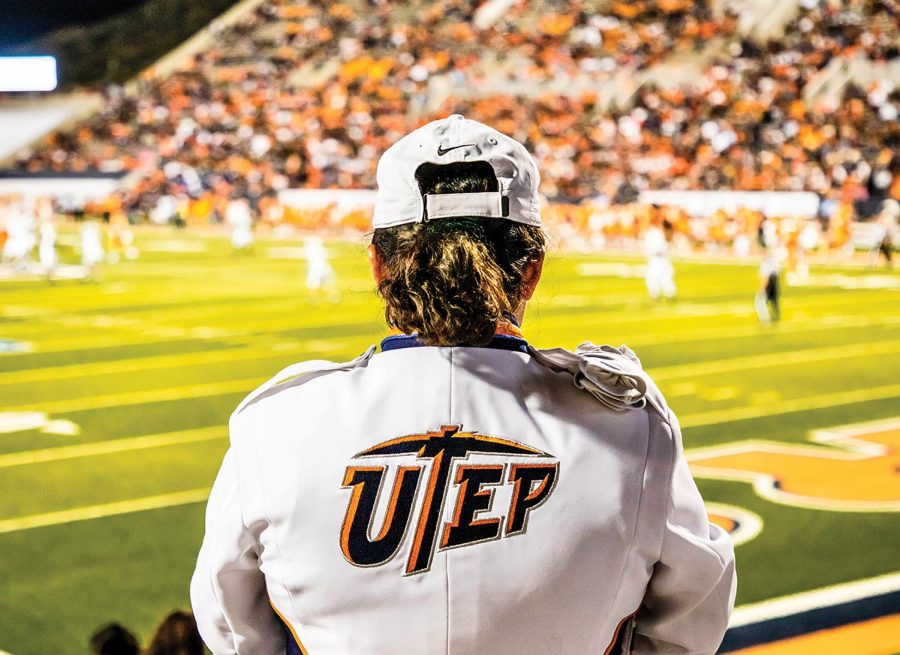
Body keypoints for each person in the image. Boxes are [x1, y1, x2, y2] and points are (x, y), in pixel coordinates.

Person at [191, 115, 736, 654]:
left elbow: (233, 629)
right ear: (532, 268)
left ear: (380, 264)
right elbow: (690, 624)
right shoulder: (631, 426)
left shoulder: (277, 423)